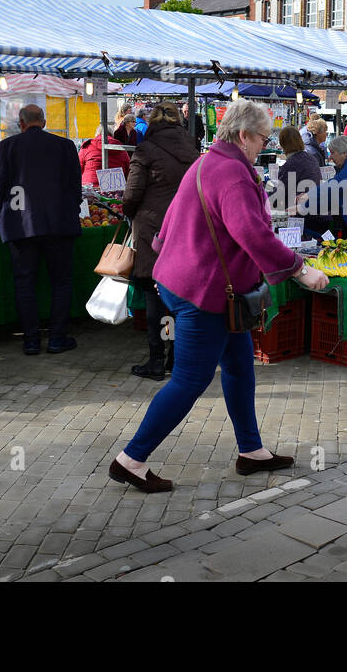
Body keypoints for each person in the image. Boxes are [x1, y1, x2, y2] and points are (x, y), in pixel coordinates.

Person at [109, 102, 330, 493]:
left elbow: (172, 217)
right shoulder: (232, 173)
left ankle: (251, 451)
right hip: (205, 291)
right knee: (190, 380)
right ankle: (131, 459)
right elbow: (253, 234)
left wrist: (164, 254)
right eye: (263, 138)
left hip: (197, 283)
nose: (264, 145)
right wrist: (300, 268)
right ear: (243, 135)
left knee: (240, 366)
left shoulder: (207, 162)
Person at [0, 104, 82, 355]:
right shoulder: (64, 146)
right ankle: (57, 338)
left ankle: (30, 341)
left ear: (21, 123)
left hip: (21, 225)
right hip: (60, 224)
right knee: (61, 282)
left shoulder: (7, 147)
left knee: (25, 283)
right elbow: (76, 185)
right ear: (43, 121)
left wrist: (0, 215)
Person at [124, 102, 200, 379]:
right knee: (175, 297)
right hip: (184, 228)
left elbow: (131, 194)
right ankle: (174, 358)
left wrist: (130, 213)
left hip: (154, 230)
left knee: (156, 298)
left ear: (152, 122)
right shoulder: (192, 150)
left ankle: (157, 360)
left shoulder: (146, 149)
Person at [275, 126, 330, 241]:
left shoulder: (290, 165)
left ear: (283, 144)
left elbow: (280, 196)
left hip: (303, 217)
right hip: (317, 213)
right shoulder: (311, 158)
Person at [78, 124, 130, 189]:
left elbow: (77, 169)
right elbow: (128, 171)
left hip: (90, 189)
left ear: (97, 134)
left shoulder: (87, 147)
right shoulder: (121, 149)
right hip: (115, 190)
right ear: (112, 135)